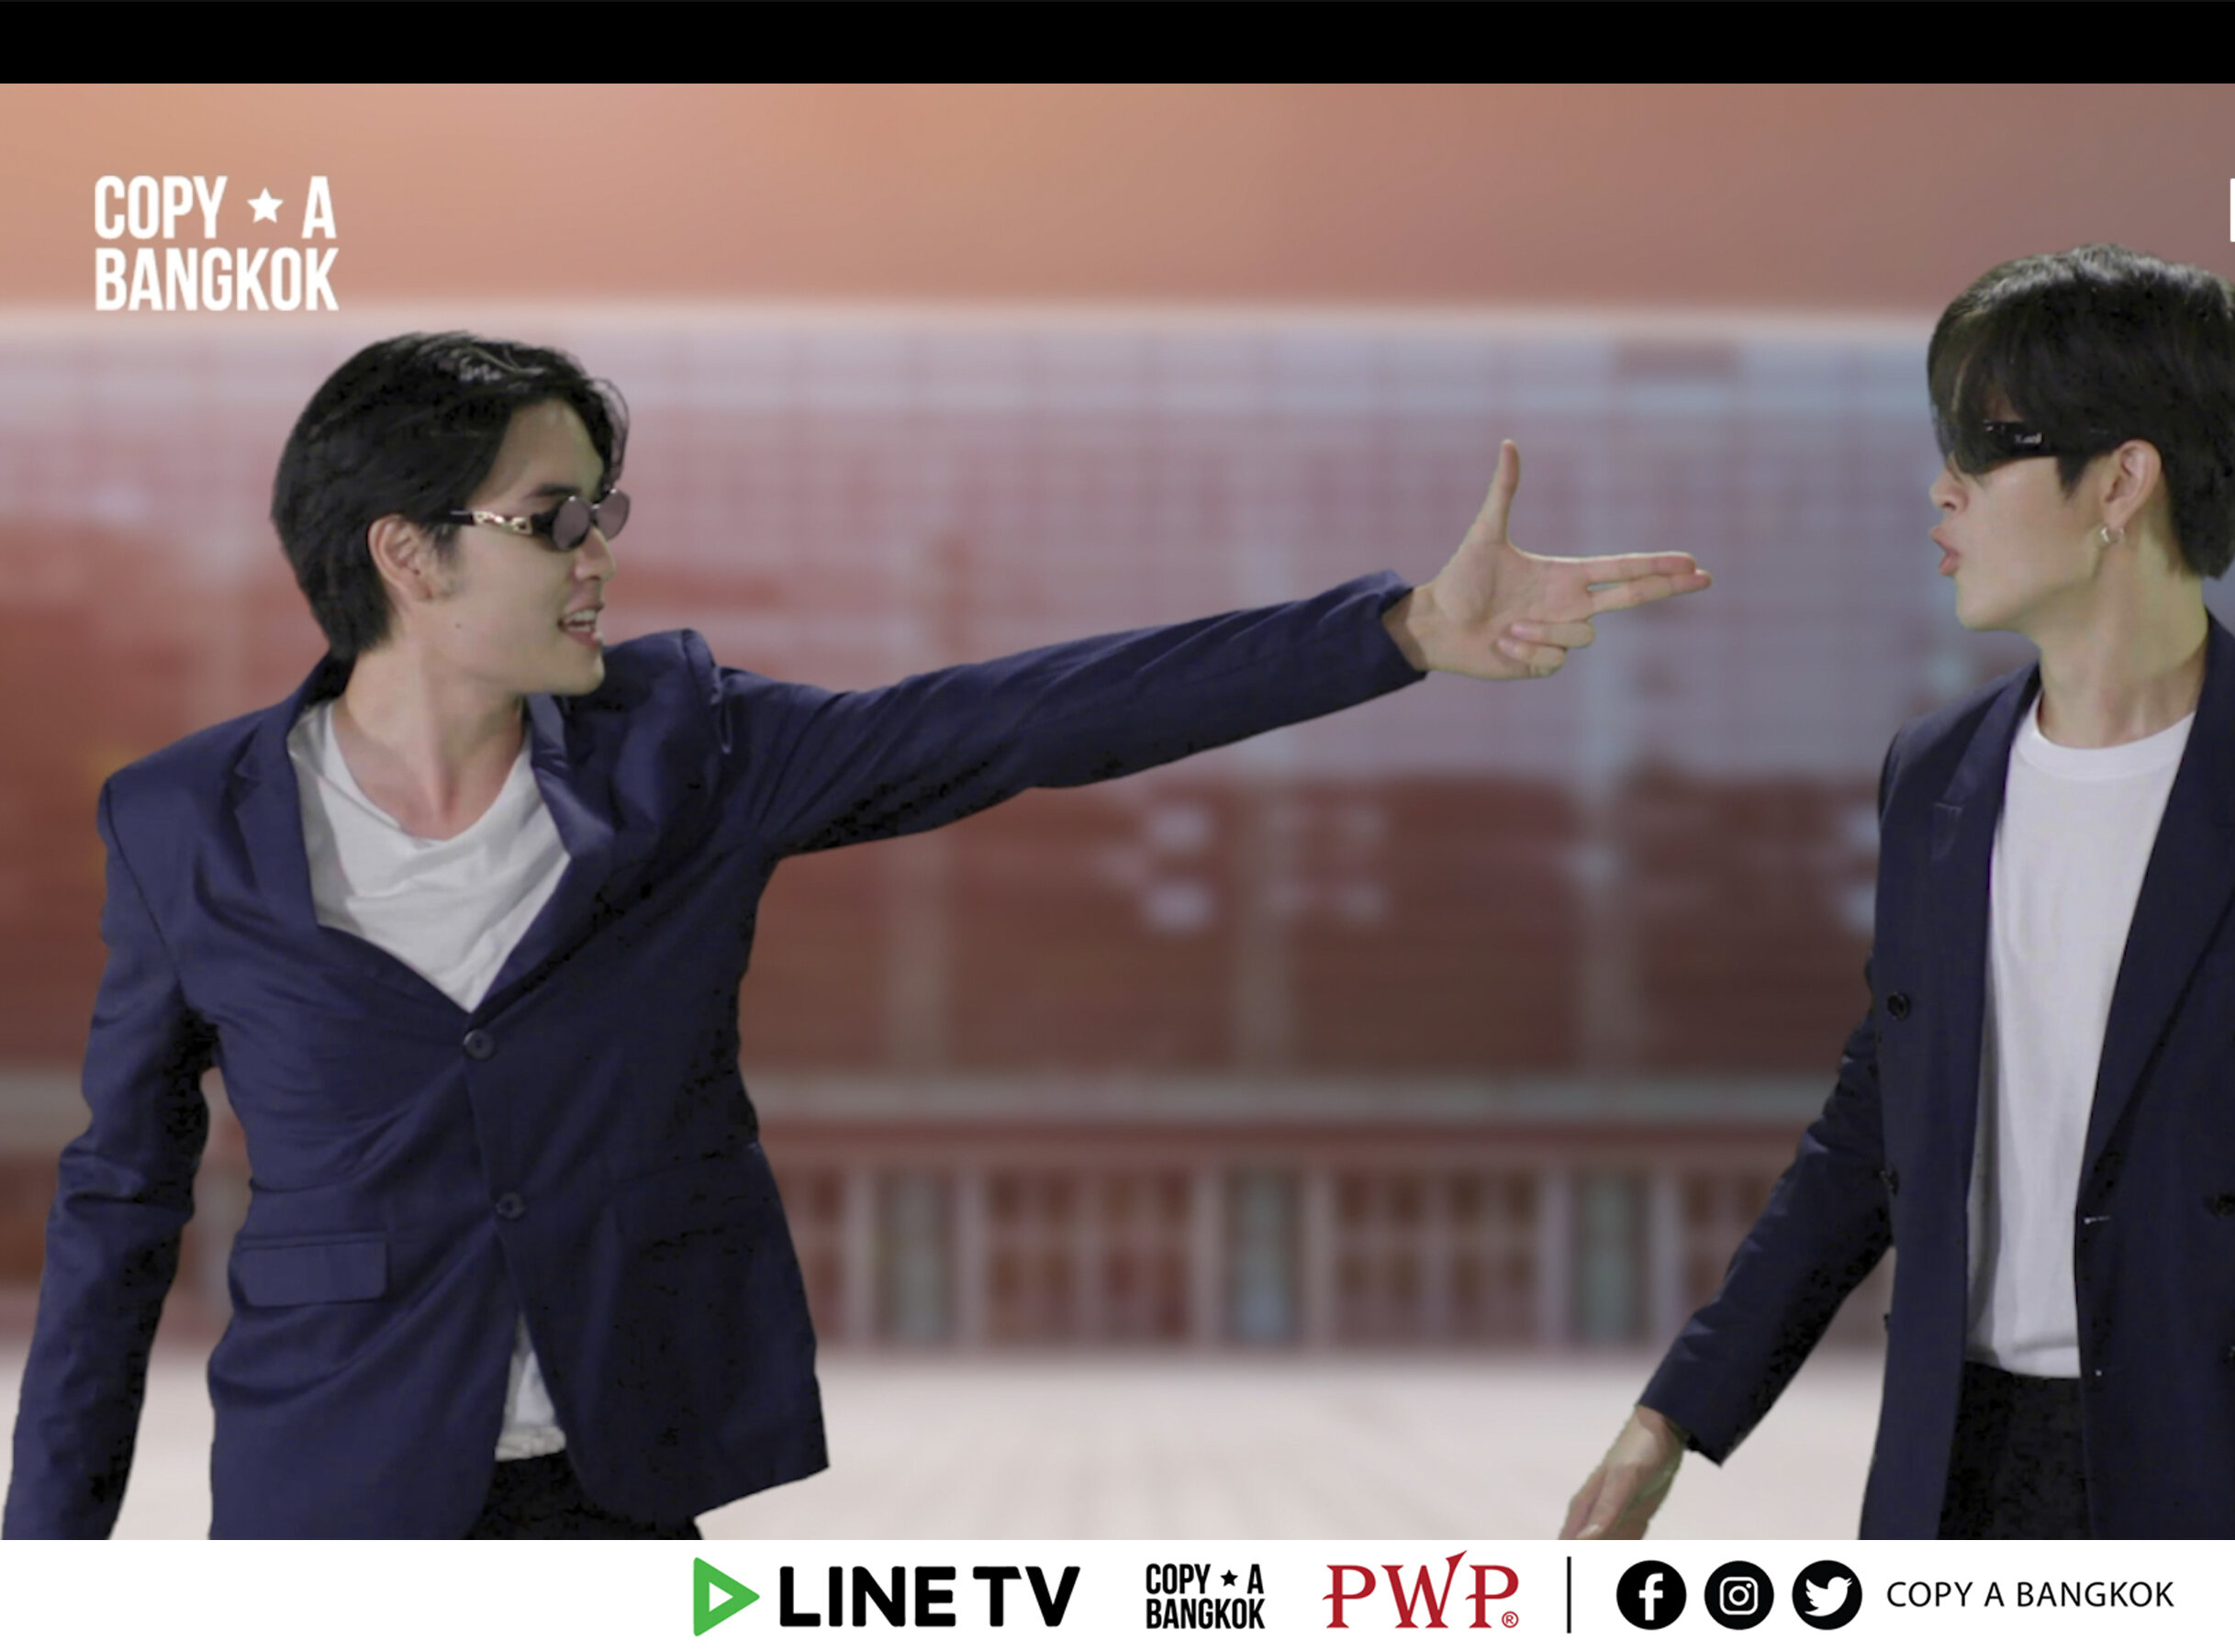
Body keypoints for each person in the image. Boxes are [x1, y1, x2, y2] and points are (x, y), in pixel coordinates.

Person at [4, 332, 1709, 1539]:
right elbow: (121, 1204)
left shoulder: (690, 751)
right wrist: (45, 1573)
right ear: (407, 554)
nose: (601, 556)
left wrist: (1395, 631)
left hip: (617, 1493)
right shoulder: (183, 820)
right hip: (329, 1504)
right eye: (554, 518)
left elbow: (1020, 717)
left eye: (605, 512)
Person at [1562, 245, 2235, 1541]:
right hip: (1959, 1480)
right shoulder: (1935, 777)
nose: (1943, 488)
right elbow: (1874, 1128)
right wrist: (1676, 1414)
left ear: (2123, 482)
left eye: (1984, 447)